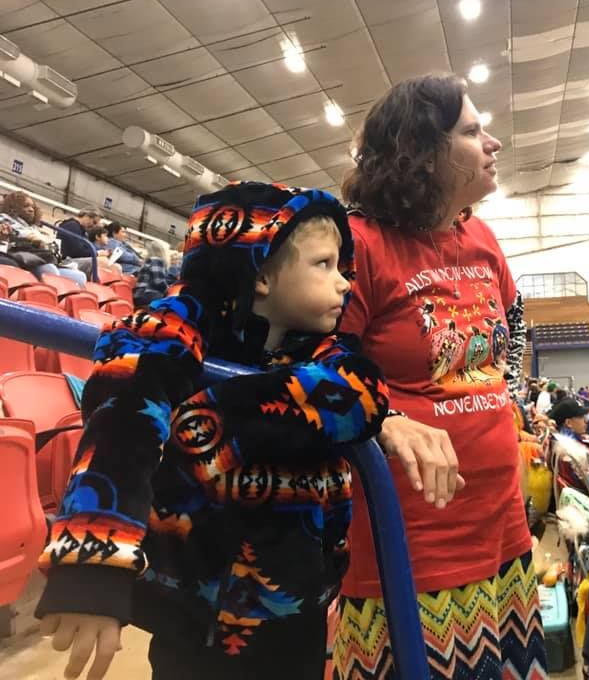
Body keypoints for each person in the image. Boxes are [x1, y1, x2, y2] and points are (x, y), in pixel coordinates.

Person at [34, 183, 392, 680]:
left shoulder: (324, 349)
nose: (344, 283)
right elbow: (122, 424)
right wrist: (92, 569)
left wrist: (202, 421)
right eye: (324, 265)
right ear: (262, 270)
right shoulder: (173, 328)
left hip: (298, 605)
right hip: (195, 616)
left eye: (342, 267)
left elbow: (363, 393)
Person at [332, 74, 545, 679]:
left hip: (501, 525)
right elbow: (315, 361)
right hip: (410, 537)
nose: (493, 143)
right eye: (473, 131)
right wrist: (387, 416)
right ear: (421, 152)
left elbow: (514, 321)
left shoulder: (480, 237)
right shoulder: (358, 243)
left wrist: (509, 398)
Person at [0, 191, 88, 286]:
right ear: (14, 207)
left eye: (32, 207)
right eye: (26, 206)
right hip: (21, 258)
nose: (31, 210)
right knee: (49, 270)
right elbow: (25, 236)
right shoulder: (4, 218)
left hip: (40, 259)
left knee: (80, 277)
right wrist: (38, 240)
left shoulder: (33, 227)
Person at [56, 209, 100, 278]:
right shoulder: (72, 226)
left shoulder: (81, 230)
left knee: (102, 260)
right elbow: (76, 251)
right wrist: (97, 253)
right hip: (65, 261)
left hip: (72, 259)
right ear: (86, 216)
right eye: (94, 222)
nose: (94, 226)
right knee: (100, 261)